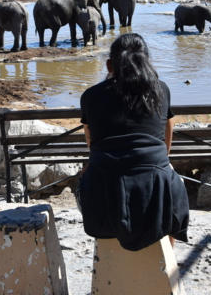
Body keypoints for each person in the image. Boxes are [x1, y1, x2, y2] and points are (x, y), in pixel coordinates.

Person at [78, 32, 189, 251]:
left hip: (103, 181)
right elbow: (168, 127)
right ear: (146, 62)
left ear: (110, 65)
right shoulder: (161, 90)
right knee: (174, 185)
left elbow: (91, 139)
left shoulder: (90, 96)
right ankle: (168, 254)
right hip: (156, 177)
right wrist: (163, 159)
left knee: (85, 178)